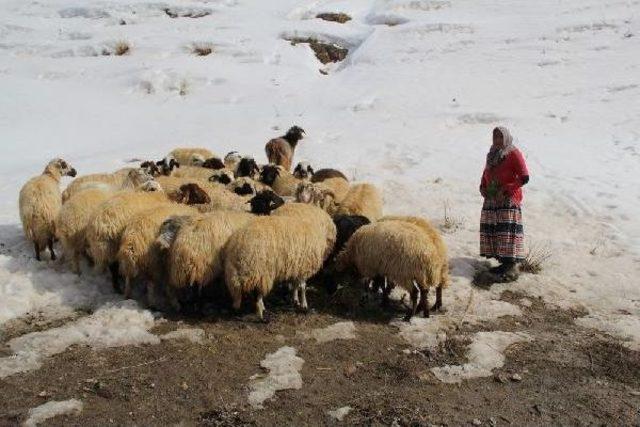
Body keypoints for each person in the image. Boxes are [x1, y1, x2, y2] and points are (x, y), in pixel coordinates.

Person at [479, 126, 529, 281]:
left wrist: (508, 189)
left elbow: (524, 176)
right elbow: (486, 172)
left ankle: (510, 266)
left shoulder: (513, 153)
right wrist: (483, 186)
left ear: (506, 138)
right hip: (493, 200)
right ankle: (503, 263)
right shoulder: (492, 154)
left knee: (506, 231)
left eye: (500, 137)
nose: (497, 140)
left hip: (507, 200)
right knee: (496, 231)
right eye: (495, 137)